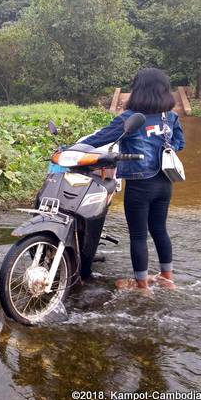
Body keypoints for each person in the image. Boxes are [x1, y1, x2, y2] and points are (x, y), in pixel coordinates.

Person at [79, 68, 185, 291]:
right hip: (165, 182)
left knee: (138, 235)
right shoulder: (171, 117)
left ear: (139, 91)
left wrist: (70, 149)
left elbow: (100, 139)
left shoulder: (130, 118)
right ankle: (168, 280)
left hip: (140, 184)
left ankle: (142, 286)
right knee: (160, 230)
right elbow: (179, 144)